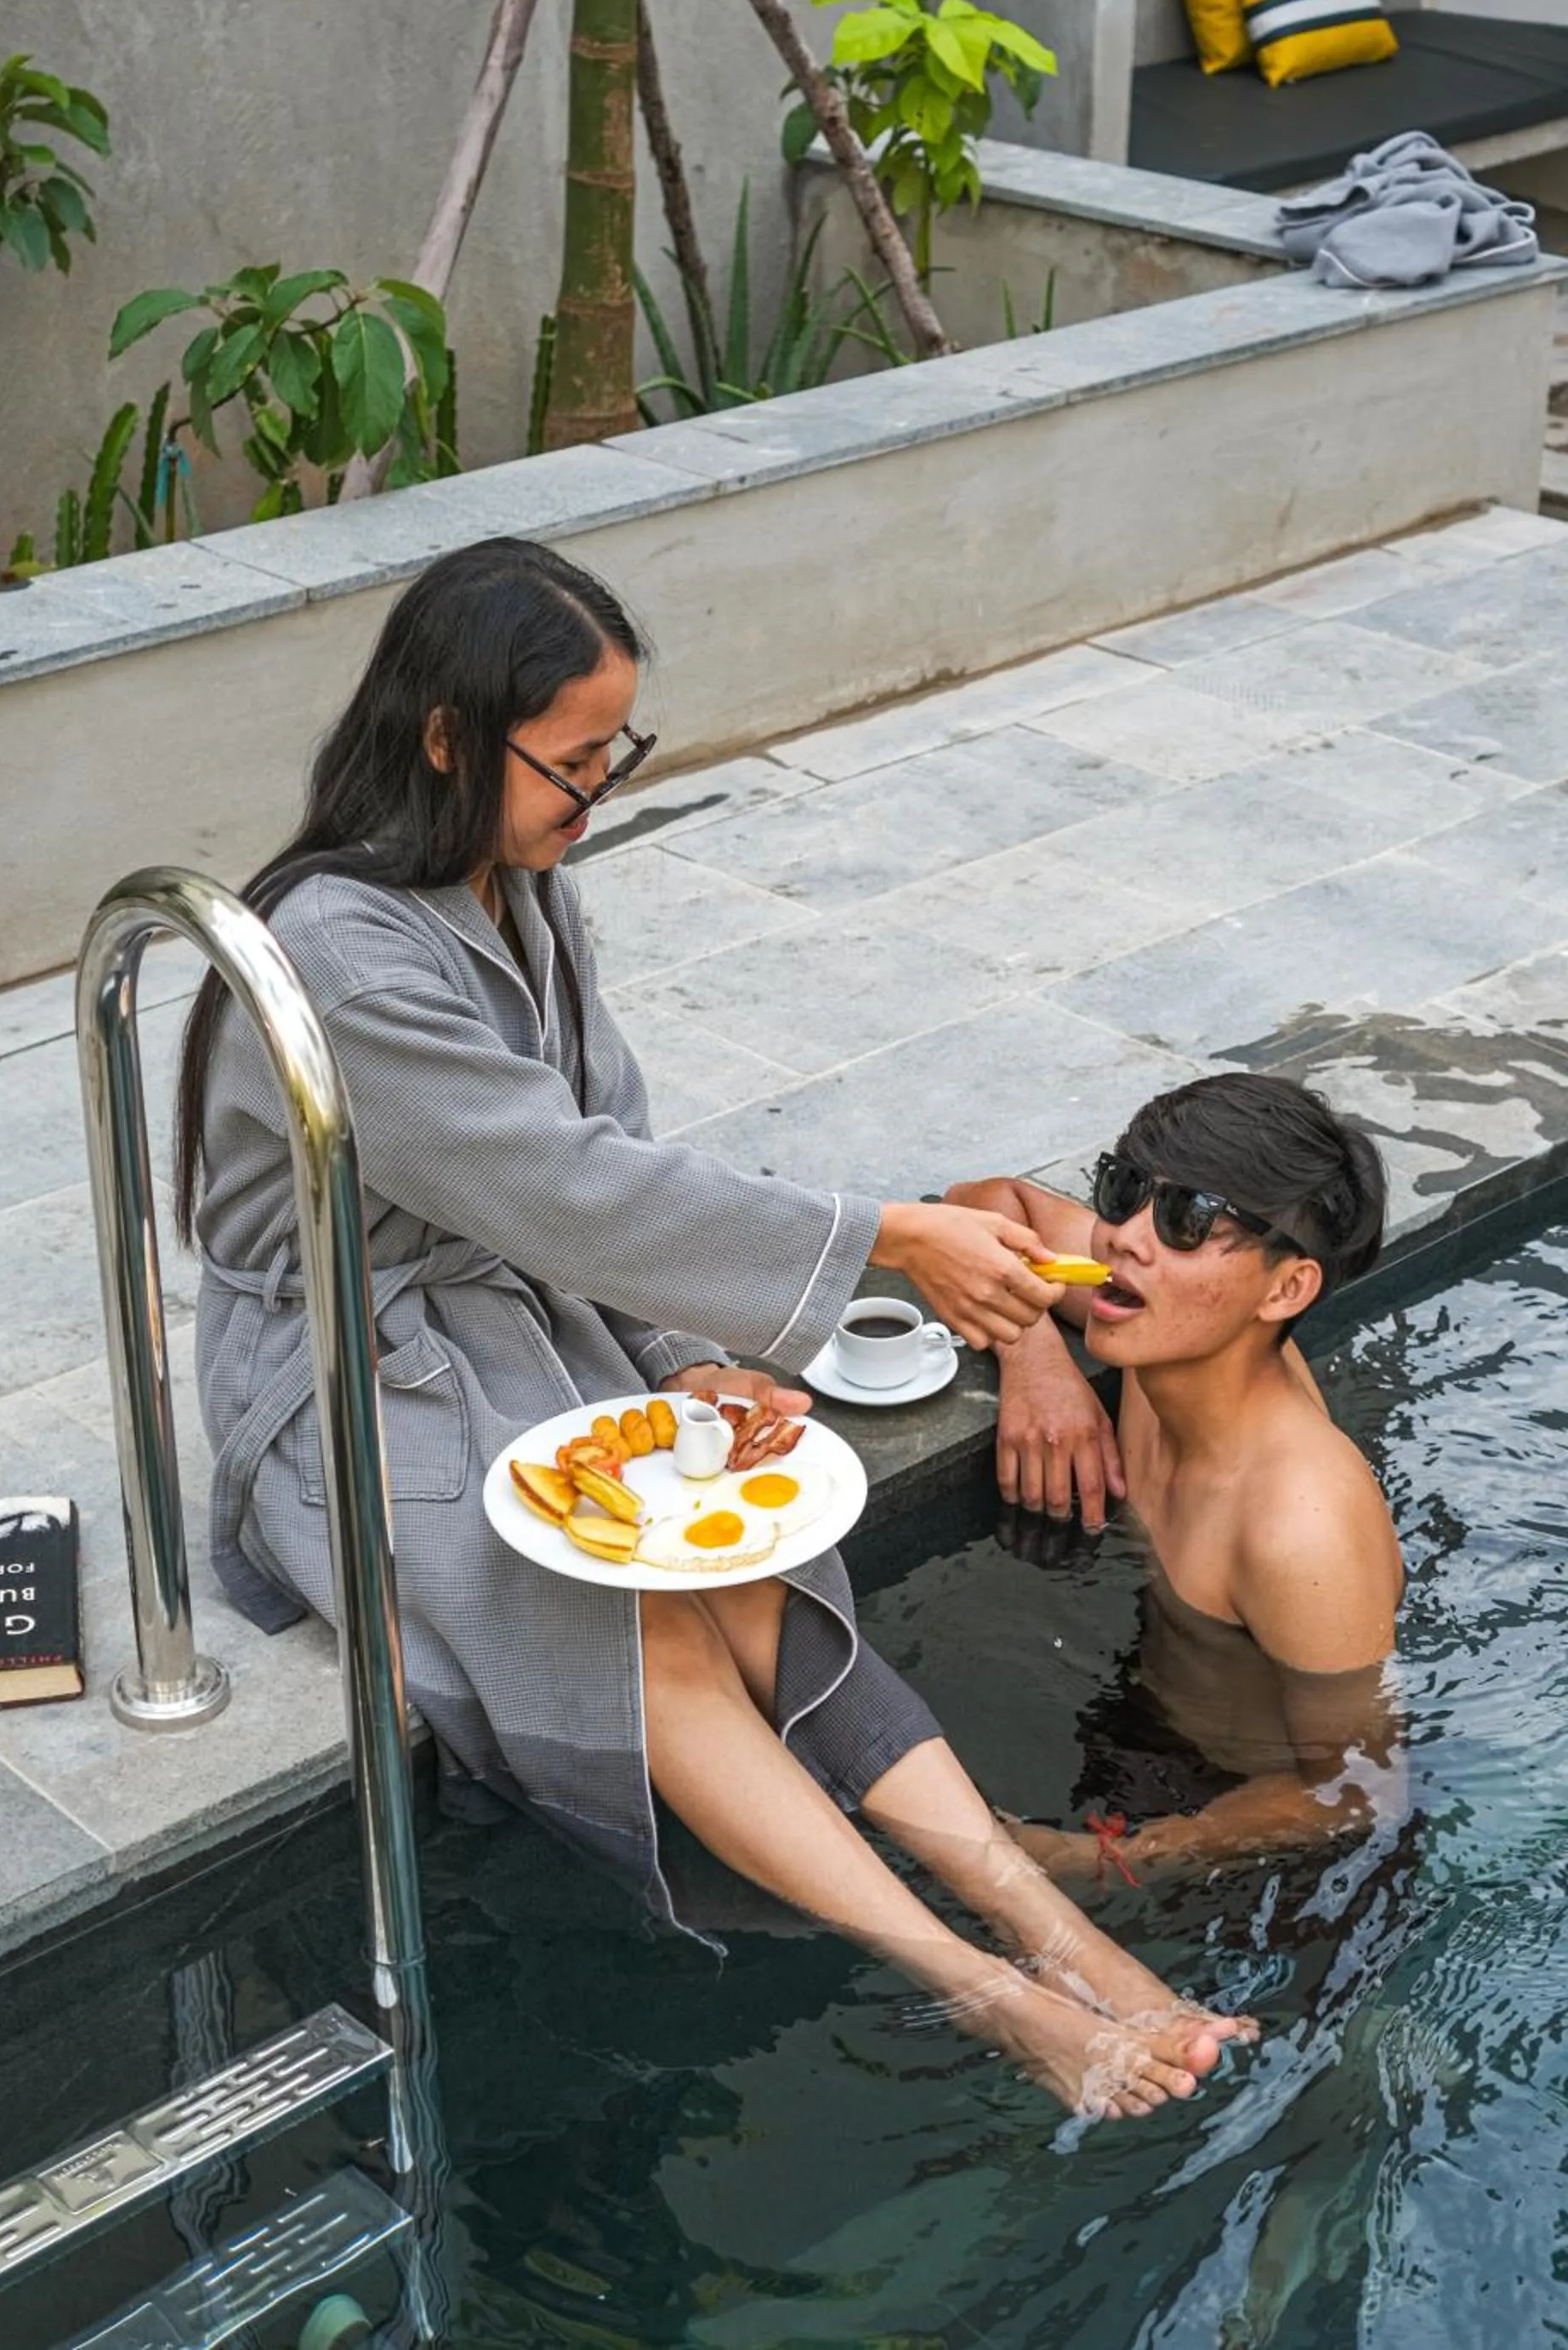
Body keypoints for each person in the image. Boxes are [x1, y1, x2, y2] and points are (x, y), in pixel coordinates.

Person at [179, 538, 1253, 2117]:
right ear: (446, 736)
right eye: (574, 761)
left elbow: (601, 1157)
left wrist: (691, 1358)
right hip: (355, 1368)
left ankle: (1056, 1929)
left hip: (526, 1304)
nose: (597, 796)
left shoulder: (520, 890)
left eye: (617, 753)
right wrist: (885, 1236)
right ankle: (989, 1995)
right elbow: (563, 1187)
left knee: (751, 1556)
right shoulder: (340, 954)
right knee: (631, 1620)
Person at [946, 1073, 1405, 1882]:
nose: (1124, 1238)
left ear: (1286, 1288)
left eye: (1187, 1220)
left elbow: (1363, 1790)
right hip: (1142, 1715)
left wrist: (1104, 1862)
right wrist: (1034, 1356)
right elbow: (983, 1203)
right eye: (1124, 1188)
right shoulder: (1167, 1332)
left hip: (1247, 1838)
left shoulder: (1302, 1530)